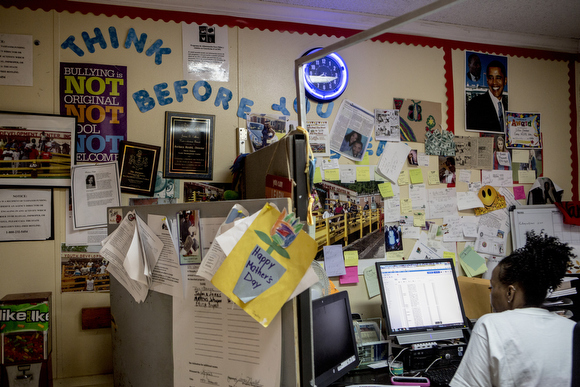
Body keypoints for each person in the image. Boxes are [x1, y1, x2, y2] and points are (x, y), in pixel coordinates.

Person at [450, 231, 575, 387]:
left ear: (509, 292)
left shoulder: (490, 326)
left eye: (492, 287)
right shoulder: (572, 329)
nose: (491, 294)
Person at [466, 60, 507, 132]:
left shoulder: (507, 106)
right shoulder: (475, 105)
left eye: (498, 78)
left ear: (505, 80)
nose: (494, 82)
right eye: (491, 78)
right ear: (487, 80)